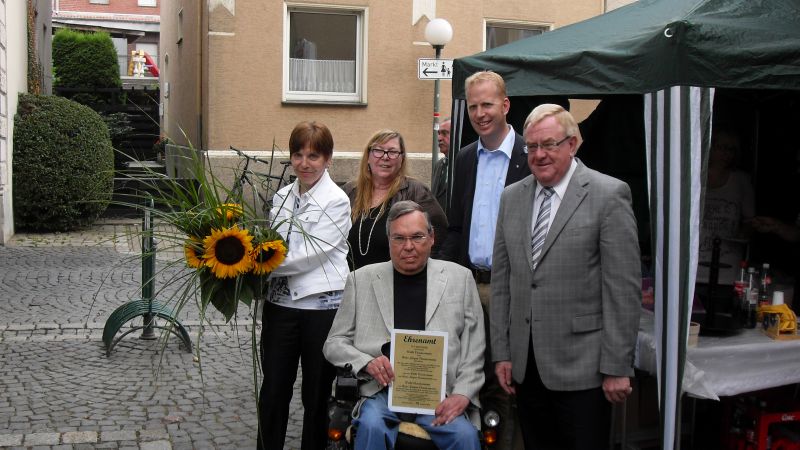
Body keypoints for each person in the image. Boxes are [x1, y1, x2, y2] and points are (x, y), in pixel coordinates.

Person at [490, 104, 641, 450]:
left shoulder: (608, 195)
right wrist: (503, 352)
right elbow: (503, 283)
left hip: (584, 369)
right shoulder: (511, 198)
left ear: (572, 144)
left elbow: (622, 289)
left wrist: (618, 366)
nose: (539, 155)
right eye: (532, 147)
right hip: (526, 368)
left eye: (549, 145)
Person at [323, 200, 485, 450]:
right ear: (389, 241)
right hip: (381, 392)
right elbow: (334, 343)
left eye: (417, 237)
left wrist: (463, 394)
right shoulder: (361, 280)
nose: (408, 246)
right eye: (399, 238)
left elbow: (474, 350)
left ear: (431, 238)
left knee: (464, 436)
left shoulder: (460, 278)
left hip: (439, 394)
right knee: (371, 426)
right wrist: (366, 362)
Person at [439, 70, 529, 449]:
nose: (480, 113)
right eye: (473, 106)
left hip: (512, 289)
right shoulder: (463, 158)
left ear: (505, 105)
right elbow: (455, 226)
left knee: (507, 379)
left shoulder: (531, 155)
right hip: (468, 284)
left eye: (487, 104)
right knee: (466, 373)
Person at [257, 121, 352, 450]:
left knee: (316, 393)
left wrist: (256, 263)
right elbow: (273, 242)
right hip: (280, 307)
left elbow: (309, 255)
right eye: (298, 155)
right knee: (273, 390)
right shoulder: (282, 196)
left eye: (313, 155)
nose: (305, 163)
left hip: (320, 311)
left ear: (327, 158)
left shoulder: (337, 201)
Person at [343, 129, 448, 270]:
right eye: (378, 150)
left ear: (401, 159)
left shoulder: (416, 192)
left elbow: (440, 239)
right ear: (368, 156)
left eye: (392, 152)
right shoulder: (349, 191)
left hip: (396, 284)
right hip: (351, 283)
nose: (385, 157)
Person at [698, 128, 755, 285]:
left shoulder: (741, 181)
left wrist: (743, 233)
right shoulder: (694, 176)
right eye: (721, 147)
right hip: (694, 267)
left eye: (731, 149)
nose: (726, 154)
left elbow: (750, 221)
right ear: (710, 147)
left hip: (728, 268)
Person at [431, 118, 451, 209]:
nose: (439, 138)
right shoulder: (439, 165)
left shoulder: (465, 165)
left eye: (444, 133)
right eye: (438, 133)